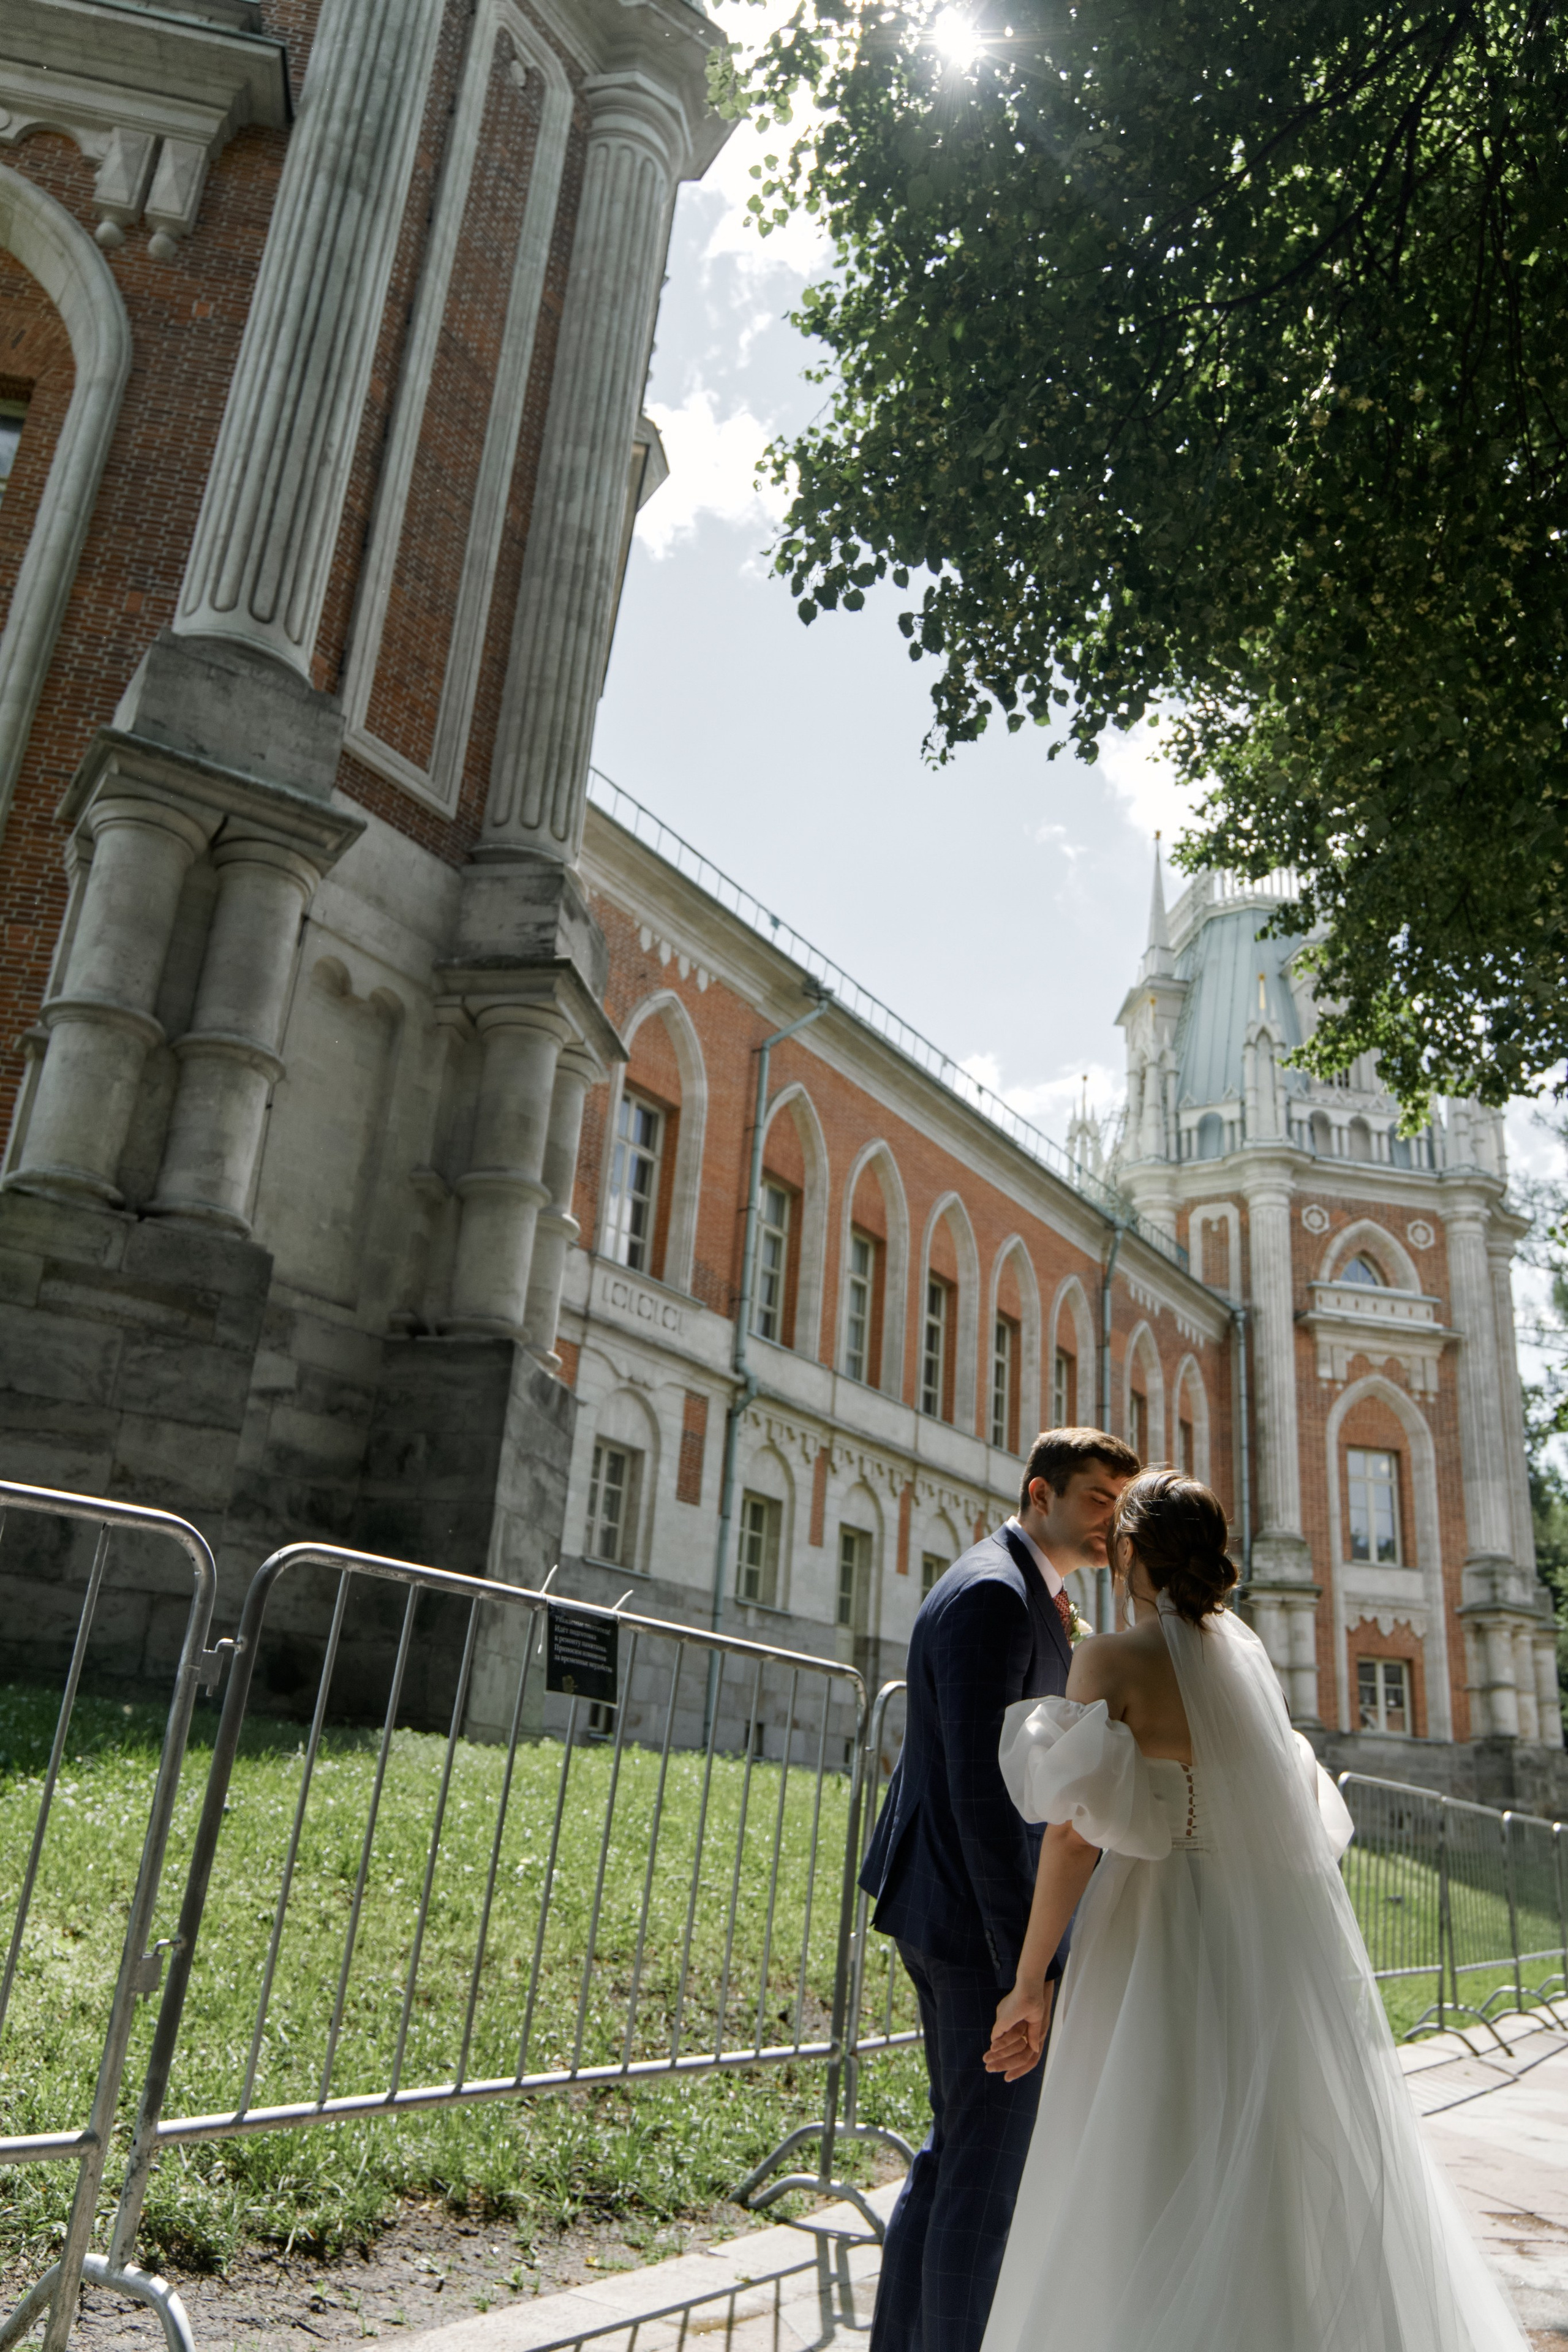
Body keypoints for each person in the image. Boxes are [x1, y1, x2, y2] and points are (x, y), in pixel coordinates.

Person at [980, 1468, 1529, 2352]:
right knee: (1257, 2139)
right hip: (1247, 1931)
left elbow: (1073, 1839)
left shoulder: (1112, 1658)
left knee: (1138, 2136)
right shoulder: (1243, 1660)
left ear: (1129, 1551)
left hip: (1149, 1925)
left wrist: (1030, 1978)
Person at [859, 1428, 1139, 2352]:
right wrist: (1029, 1964)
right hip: (974, 1927)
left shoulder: (1021, 1590)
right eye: (1097, 1500)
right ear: (1038, 1494)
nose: (1111, 1523)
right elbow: (984, 1799)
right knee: (985, 2181)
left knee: (954, 2160)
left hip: (949, 1911)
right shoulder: (993, 1596)